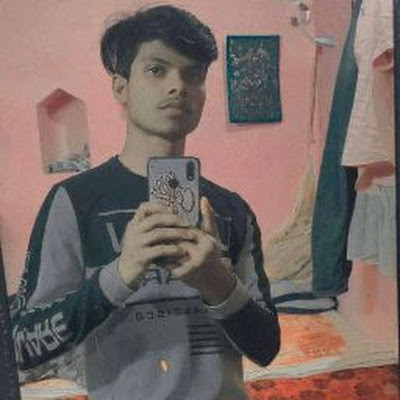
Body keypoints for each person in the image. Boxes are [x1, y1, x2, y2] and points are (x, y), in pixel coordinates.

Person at [11, 5, 280, 399]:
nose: (178, 87)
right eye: (157, 70)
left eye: (194, 75)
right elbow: (21, 347)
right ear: (121, 87)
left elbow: (267, 348)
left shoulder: (230, 209)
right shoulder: (75, 202)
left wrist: (217, 283)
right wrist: (118, 277)